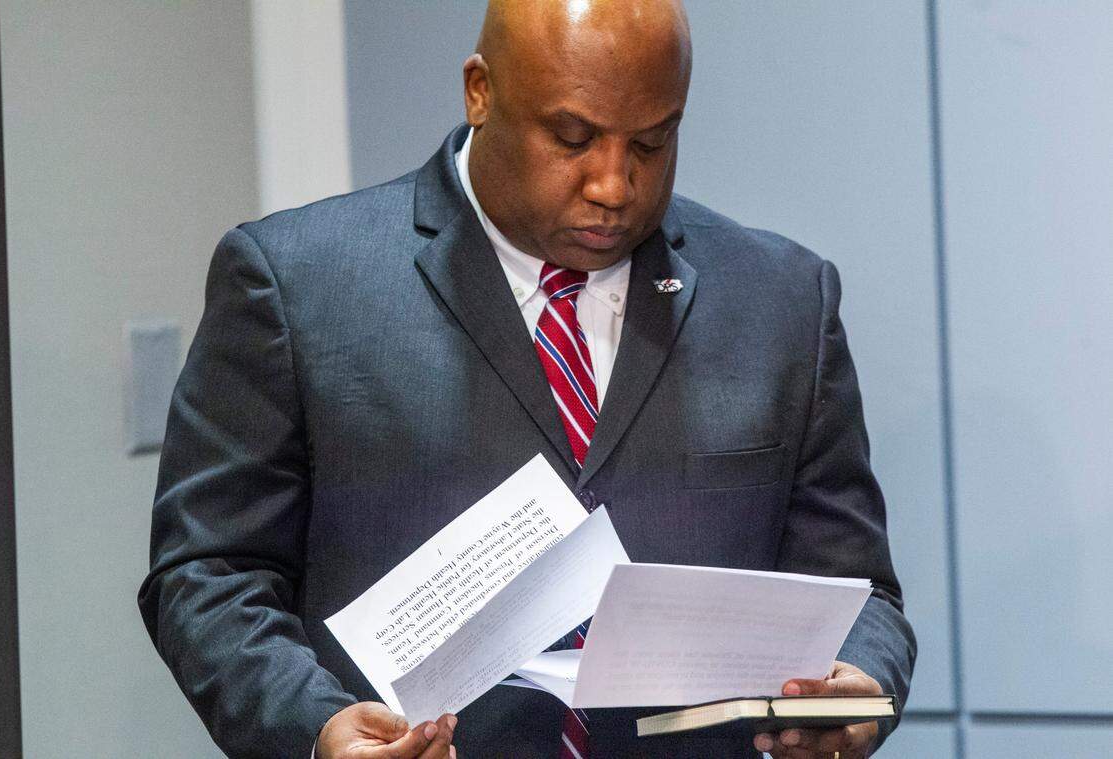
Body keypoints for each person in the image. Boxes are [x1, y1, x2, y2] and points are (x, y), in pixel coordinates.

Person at [138, 1, 916, 757]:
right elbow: (209, 572)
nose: (614, 185)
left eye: (651, 143)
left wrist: (861, 688)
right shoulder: (298, 283)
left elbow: (860, 593)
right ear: (480, 91)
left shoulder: (782, 300)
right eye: (572, 138)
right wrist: (315, 727)